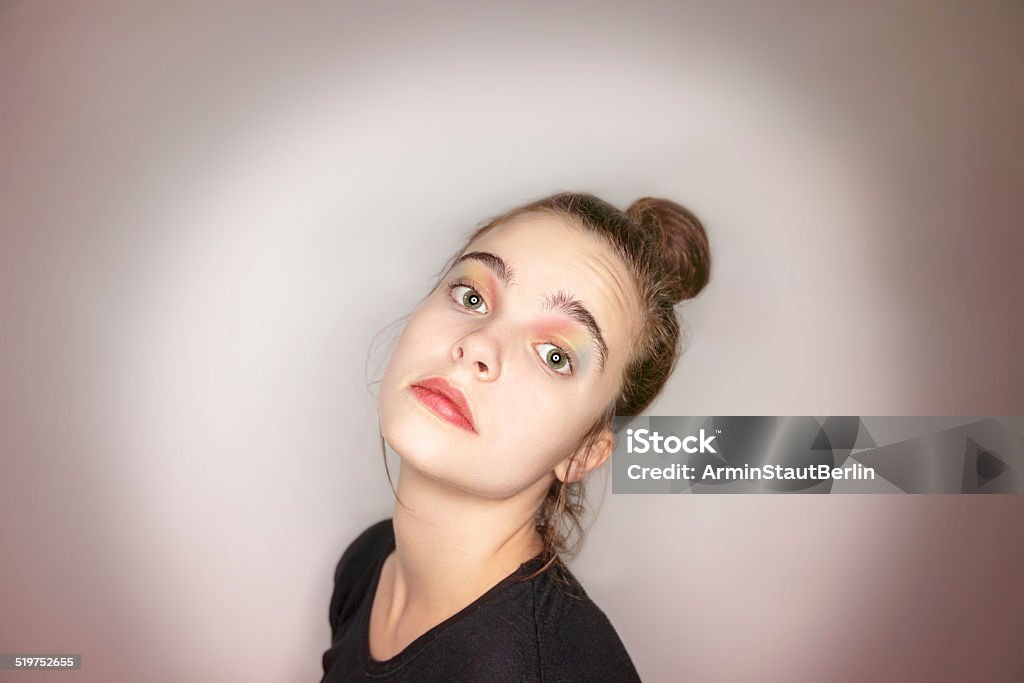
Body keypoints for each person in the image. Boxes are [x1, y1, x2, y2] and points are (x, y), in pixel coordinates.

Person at [320, 192, 711, 681]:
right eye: (472, 297)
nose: (478, 343)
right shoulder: (367, 563)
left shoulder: (545, 669)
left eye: (554, 355)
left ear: (584, 451)